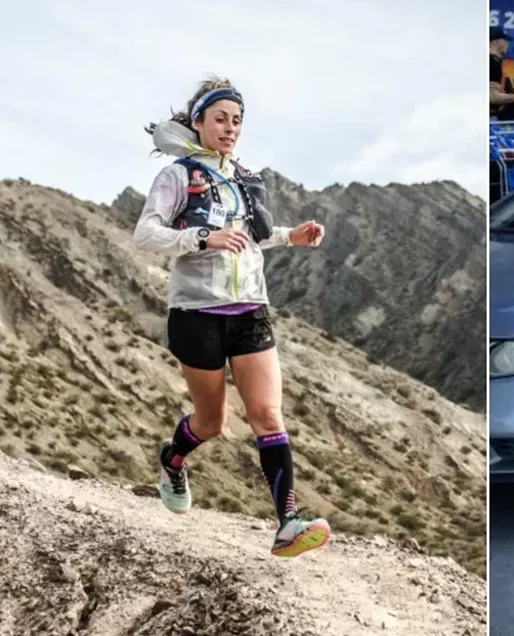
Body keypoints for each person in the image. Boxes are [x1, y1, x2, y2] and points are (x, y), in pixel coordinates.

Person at [134, 76, 330, 558]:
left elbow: (247, 235)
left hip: (251, 310)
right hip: (196, 313)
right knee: (212, 421)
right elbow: (145, 234)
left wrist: (291, 236)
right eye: (220, 118)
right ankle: (173, 459)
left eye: (237, 120)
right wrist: (201, 238)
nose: (230, 127)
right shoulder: (177, 176)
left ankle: (288, 522)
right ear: (198, 121)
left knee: (266, 414)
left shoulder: (242, 178)